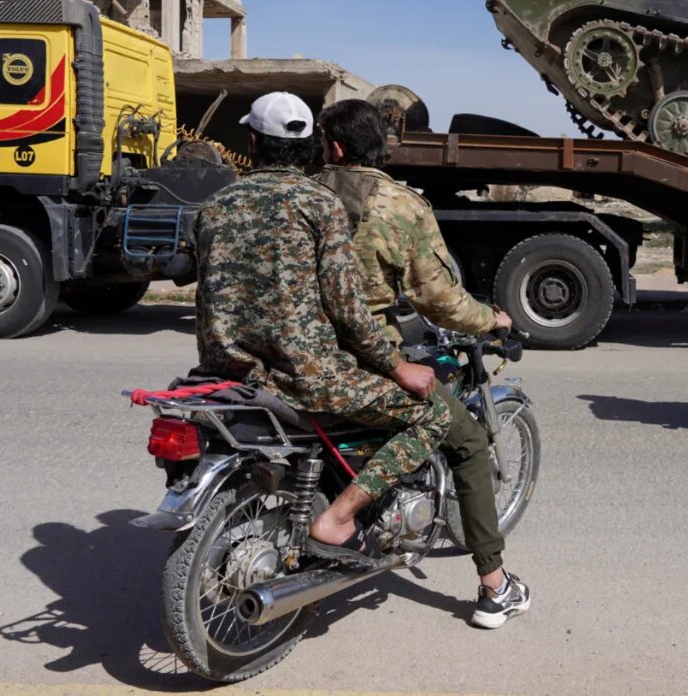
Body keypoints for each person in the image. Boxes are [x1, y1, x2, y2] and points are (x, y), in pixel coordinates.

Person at [191, 91, 474, 612]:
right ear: (308, 147)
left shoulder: (216, 203)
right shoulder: (321, 206)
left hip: (223, 370)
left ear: (253, 142)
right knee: (431, 414)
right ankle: (339, 517)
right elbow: (348, 309)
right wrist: (397, 366)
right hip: (304, 376)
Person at [312, 98, 531, 629]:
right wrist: (495, 321)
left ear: (334, 147)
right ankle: (494, 587)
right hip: (364, 360)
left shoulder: (302, 193)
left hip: (292, 355)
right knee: (469, 442)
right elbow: (439, 299)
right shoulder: (402, 205)